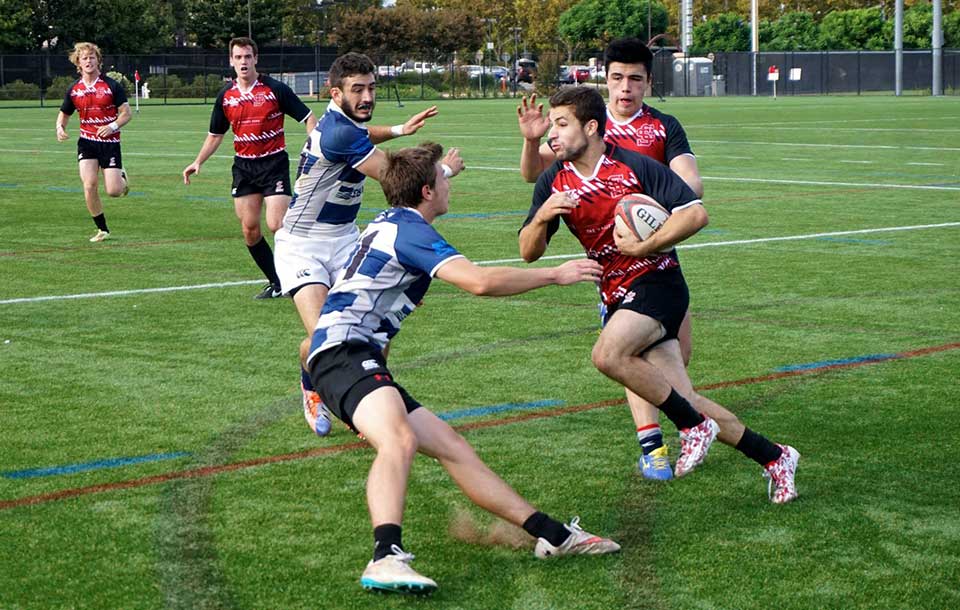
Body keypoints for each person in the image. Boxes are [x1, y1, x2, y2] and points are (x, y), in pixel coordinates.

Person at [306, 142, 620, 594]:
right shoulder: (410, 232)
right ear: (428, 191)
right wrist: (555, 274)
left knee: (452, 446)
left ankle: (552, 535)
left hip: (351, 355)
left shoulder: (392, 220)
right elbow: (479, 282)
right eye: (442, 180)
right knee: (399, 440)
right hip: (344, 354)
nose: (449, 188)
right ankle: (384, 556)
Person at [518, 87, 799, 505]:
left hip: (658, 282)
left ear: (591, 127)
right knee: (686, 399)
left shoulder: (634, 167)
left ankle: (692, 427)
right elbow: (528, 251)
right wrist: (541, 216)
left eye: (561, 125)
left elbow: (696, 213)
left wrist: (645, 246)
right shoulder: (552, 180)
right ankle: (775, 457)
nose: (551, 136)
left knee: (607, 355)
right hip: (614, 292)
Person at [517, 37, 702, 480]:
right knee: (629, 354)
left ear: (648, 83)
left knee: (677, 361)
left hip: (658, 257)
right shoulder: (585, 125)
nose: (625, 88)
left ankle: (698, 427)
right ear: (605, 79)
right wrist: (532, 142)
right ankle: (653, 444)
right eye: (617, 78)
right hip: (617, 270)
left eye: (635, 79)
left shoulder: (662, 127)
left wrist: (649, 211)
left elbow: (691, 190)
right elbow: (534, 174)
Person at [274, 52, 463, 436]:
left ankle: (370, 404)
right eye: (357, 90)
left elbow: (364, 132)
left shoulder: (344, 123)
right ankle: (312, 386)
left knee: (372, 328)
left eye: (372, 88)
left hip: (345, 240)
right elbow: (394, 179)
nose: (367, 96)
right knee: (325, 339)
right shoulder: (340, 133)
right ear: (335, 93)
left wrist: (396, 130)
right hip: (302, 244)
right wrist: (443, 171)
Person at [182, 37, 317, 300]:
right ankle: (277, 282)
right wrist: (197, 161)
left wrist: (314, 149)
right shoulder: (226, 97)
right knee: (250, 229)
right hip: (244, 168)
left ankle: (306, 274)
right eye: (238, 57)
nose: (243, 62)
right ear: (231, 61)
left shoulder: (275, 89)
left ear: (256, 59)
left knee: (277, 224)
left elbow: (308, 117)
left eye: (247, 57)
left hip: (273, 164)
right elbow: (215, 135)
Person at [55, 42, 131, 243]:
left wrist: (113, 126)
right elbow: (63, 114)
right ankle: (102, 229)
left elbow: (126, 113)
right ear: (78, 63)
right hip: (87, 142)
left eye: (92, 57)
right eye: (84, 58)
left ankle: (122, 178)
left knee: (114, 191)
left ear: (98, 60)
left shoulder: (111, 86)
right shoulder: (74, 89)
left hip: (110, 143)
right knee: (89, 185)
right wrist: (60, 128)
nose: (88, 61)